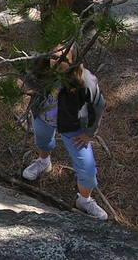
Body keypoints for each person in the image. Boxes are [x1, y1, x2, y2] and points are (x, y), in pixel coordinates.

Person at [22, 44, 108, 220]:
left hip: (73, 126)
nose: (59, 61)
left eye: (65, 59)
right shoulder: (42, 68)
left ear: (74, 60)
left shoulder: (85, 79)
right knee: (43, 142)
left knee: (87, 168)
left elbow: (98, 105)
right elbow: (27, 82)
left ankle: (84, 200)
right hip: (43, 117)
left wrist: (89, 132)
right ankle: (44, 162)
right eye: (55, 57)